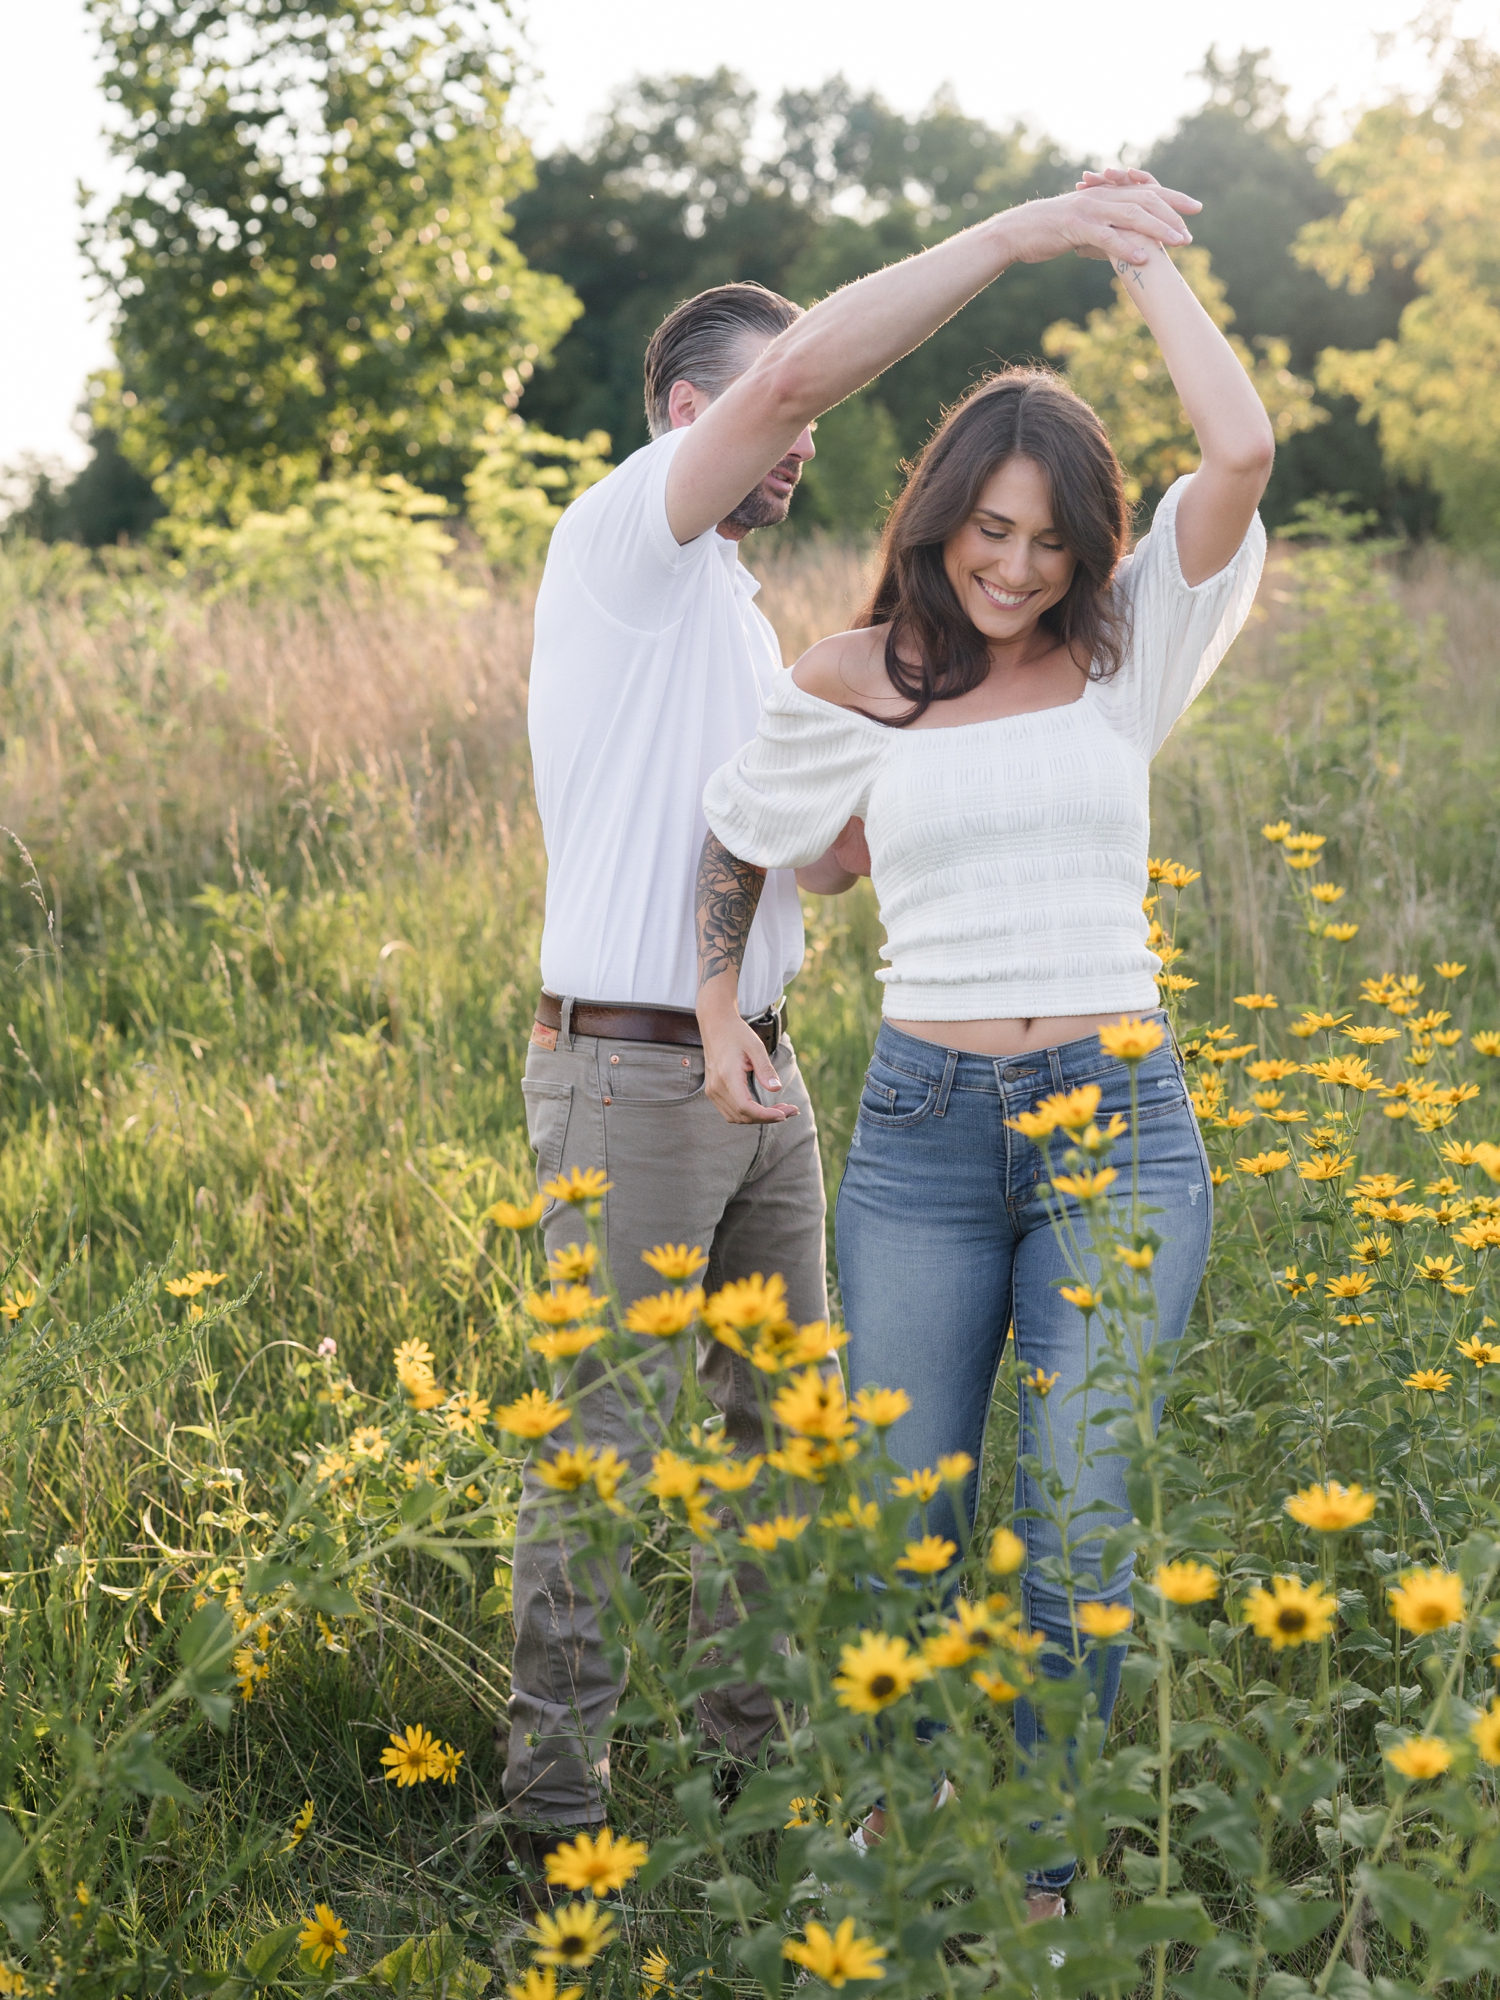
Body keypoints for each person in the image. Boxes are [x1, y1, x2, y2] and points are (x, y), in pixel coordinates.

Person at [508, 167, 1206, 1879]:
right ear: (699, 414)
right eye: (772, 416)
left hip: (780, 1082)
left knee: (785, 1450)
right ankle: (553, 1816)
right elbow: (803, 377)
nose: (803, 449)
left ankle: (756, 1792)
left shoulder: (747, 632)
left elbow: (803, 850)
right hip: (625, 1067)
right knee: (604, 1444)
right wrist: (1021, 233)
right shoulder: (624, 541)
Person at [694, 168, 1273, 1920]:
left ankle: (1026, 1873)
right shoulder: (864, 672)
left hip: (1122, 1121)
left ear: (1087, 548)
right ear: (939, 521)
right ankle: (890, 1825)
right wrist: (726, 1005)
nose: (1015, 568)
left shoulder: (1127, 651)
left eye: (1048, 540)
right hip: (928, 1136)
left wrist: (1138, 259)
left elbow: (1235, 456)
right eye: (987, 534)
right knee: (908, 1521)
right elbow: (742, 835)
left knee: (1081, 1525)